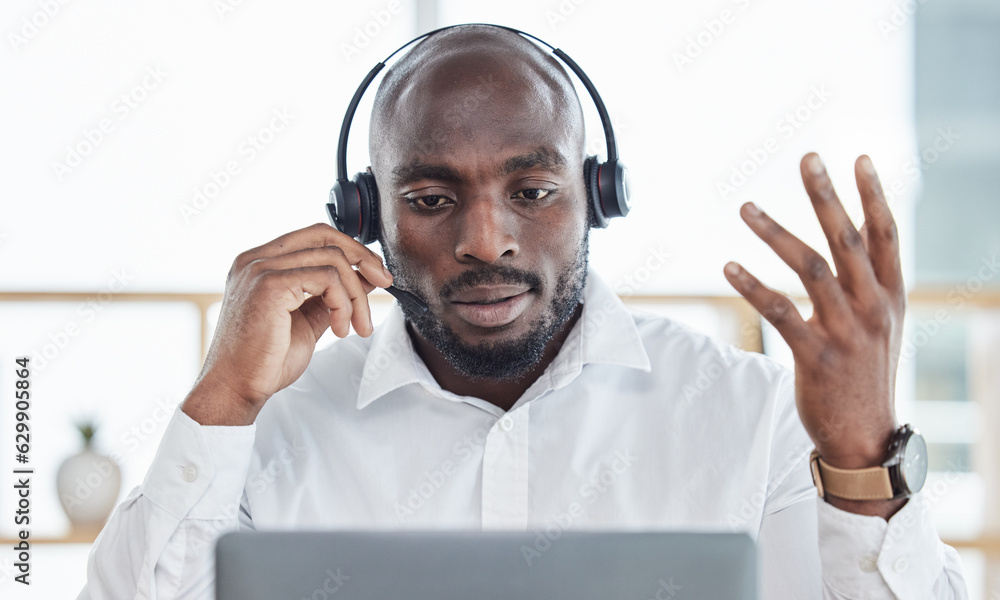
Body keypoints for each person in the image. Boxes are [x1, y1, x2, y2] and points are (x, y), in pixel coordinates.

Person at [79, 24, 967, 599]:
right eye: (430, 199)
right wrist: (222, 405)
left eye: (533, 189)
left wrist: (861, 462)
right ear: (363, 218)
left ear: (595, 196)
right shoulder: (271, 431)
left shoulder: (753, 416)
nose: (487, 239)